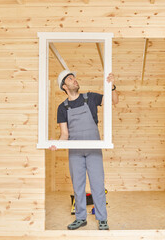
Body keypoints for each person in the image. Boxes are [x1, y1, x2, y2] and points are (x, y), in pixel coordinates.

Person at [49, 70, 119, 230]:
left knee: (97, 185)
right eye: (70, 79)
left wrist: (112, 86)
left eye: (74, 78)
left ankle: (102, 219)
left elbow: (113, 101)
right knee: (78, 186)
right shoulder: (62, 107)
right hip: (75, 151)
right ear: (64, 86)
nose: (74, 80)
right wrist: (57, 145)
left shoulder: (90, 98)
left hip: (93, 149)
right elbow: (64, 134)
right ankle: (81, 218)